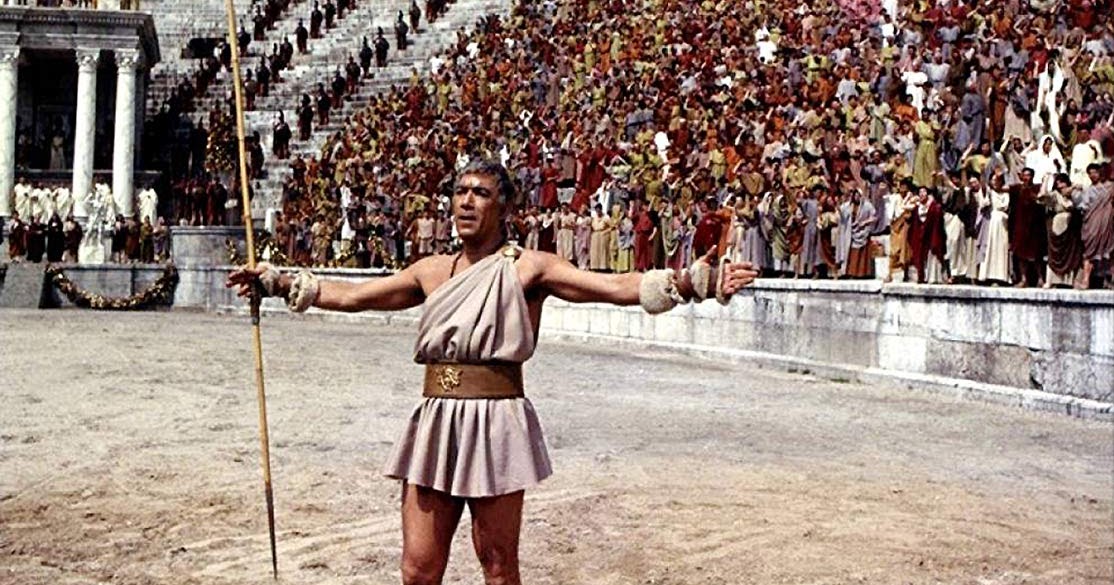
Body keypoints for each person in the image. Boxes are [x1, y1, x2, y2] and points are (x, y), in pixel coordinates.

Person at [226, 159, 759, 585]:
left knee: (499, 568)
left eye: (480, 193)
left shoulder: (529, 266)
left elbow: (612, 286)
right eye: (460, 192)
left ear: (503, 206)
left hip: (497, 421)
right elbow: (353, 296)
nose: (466, 201)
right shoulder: (431, 270)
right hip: (436, 421)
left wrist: (692, 283)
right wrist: (277, 281)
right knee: (417, 569)